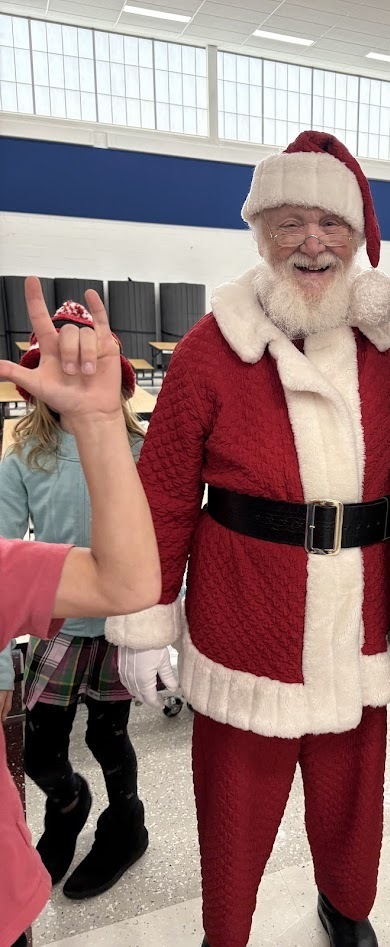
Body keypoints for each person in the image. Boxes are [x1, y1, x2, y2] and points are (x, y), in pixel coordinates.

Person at [103, 131, 390, 947]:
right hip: (245, 623)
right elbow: (166, 495)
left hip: (358, 620)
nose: (312, 243)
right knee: (235, 814)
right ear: (260, 233)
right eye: (290, 222)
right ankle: (228, 934)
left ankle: (346, 909)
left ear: (358, 238)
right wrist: (147, 622)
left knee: (353, 800)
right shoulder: (213, 349)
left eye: (331, 223)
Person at [0, 276, 160, 947]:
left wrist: (160, 627)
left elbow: (160, 537)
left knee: (108, 735)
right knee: (41, 745)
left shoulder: (138, 449)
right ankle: (68, 803)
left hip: (121, 626)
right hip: (59, 620)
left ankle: (126, 822)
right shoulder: (23, 457)